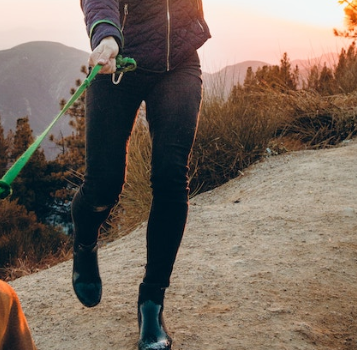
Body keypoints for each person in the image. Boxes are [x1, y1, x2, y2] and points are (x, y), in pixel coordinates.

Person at [72, 1, 211, 349]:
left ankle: (152, 302)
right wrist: (105, 34)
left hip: (179, 60)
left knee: (171, 175)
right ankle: (86, 238)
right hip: (119, 60)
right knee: (104, 186)